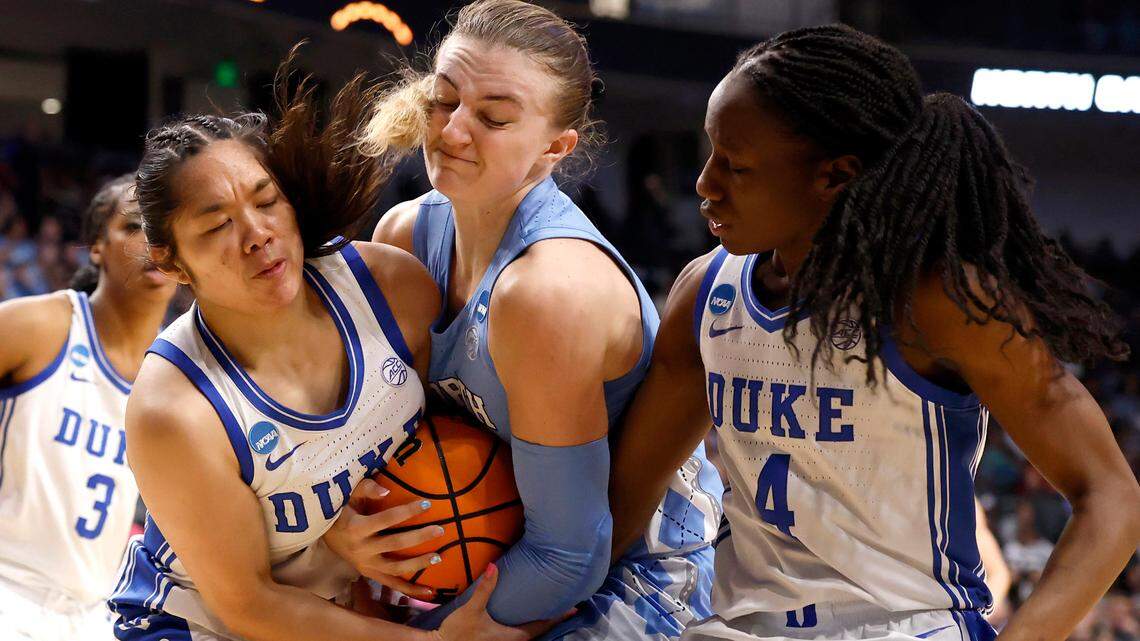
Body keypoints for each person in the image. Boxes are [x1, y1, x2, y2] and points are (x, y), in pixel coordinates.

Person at [609, 24, 1140, 641]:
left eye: (737, 166)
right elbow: (623, 507)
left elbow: (1111, 494)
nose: (705, 183)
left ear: (833, 176)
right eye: (709, 153)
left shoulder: (936, 302)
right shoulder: (704, 293)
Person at [107, 67, 540, 641]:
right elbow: (248, 605)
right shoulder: (174, 410)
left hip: (336, 610)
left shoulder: (390, 288)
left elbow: (447, 445)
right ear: (170, 262)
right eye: (216, 226)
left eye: (268, 201)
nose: (257, 233)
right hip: (197, 624)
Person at [347, 1, 724, 638]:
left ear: (554, 148)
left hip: (632, 579)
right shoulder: (405, 234)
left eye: (493, 118)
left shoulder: (548, 292)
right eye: (442, 100)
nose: (453, 131)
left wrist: (420, 635)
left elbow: (570, 557)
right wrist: (346, 541)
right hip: (500, 553)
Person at [0, 174, 177, 640]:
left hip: (95, 615)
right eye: (135, 226)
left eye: (164, 227)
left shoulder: (176, 378)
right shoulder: (41, 325)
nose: (152, 241)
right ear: (96, 247)